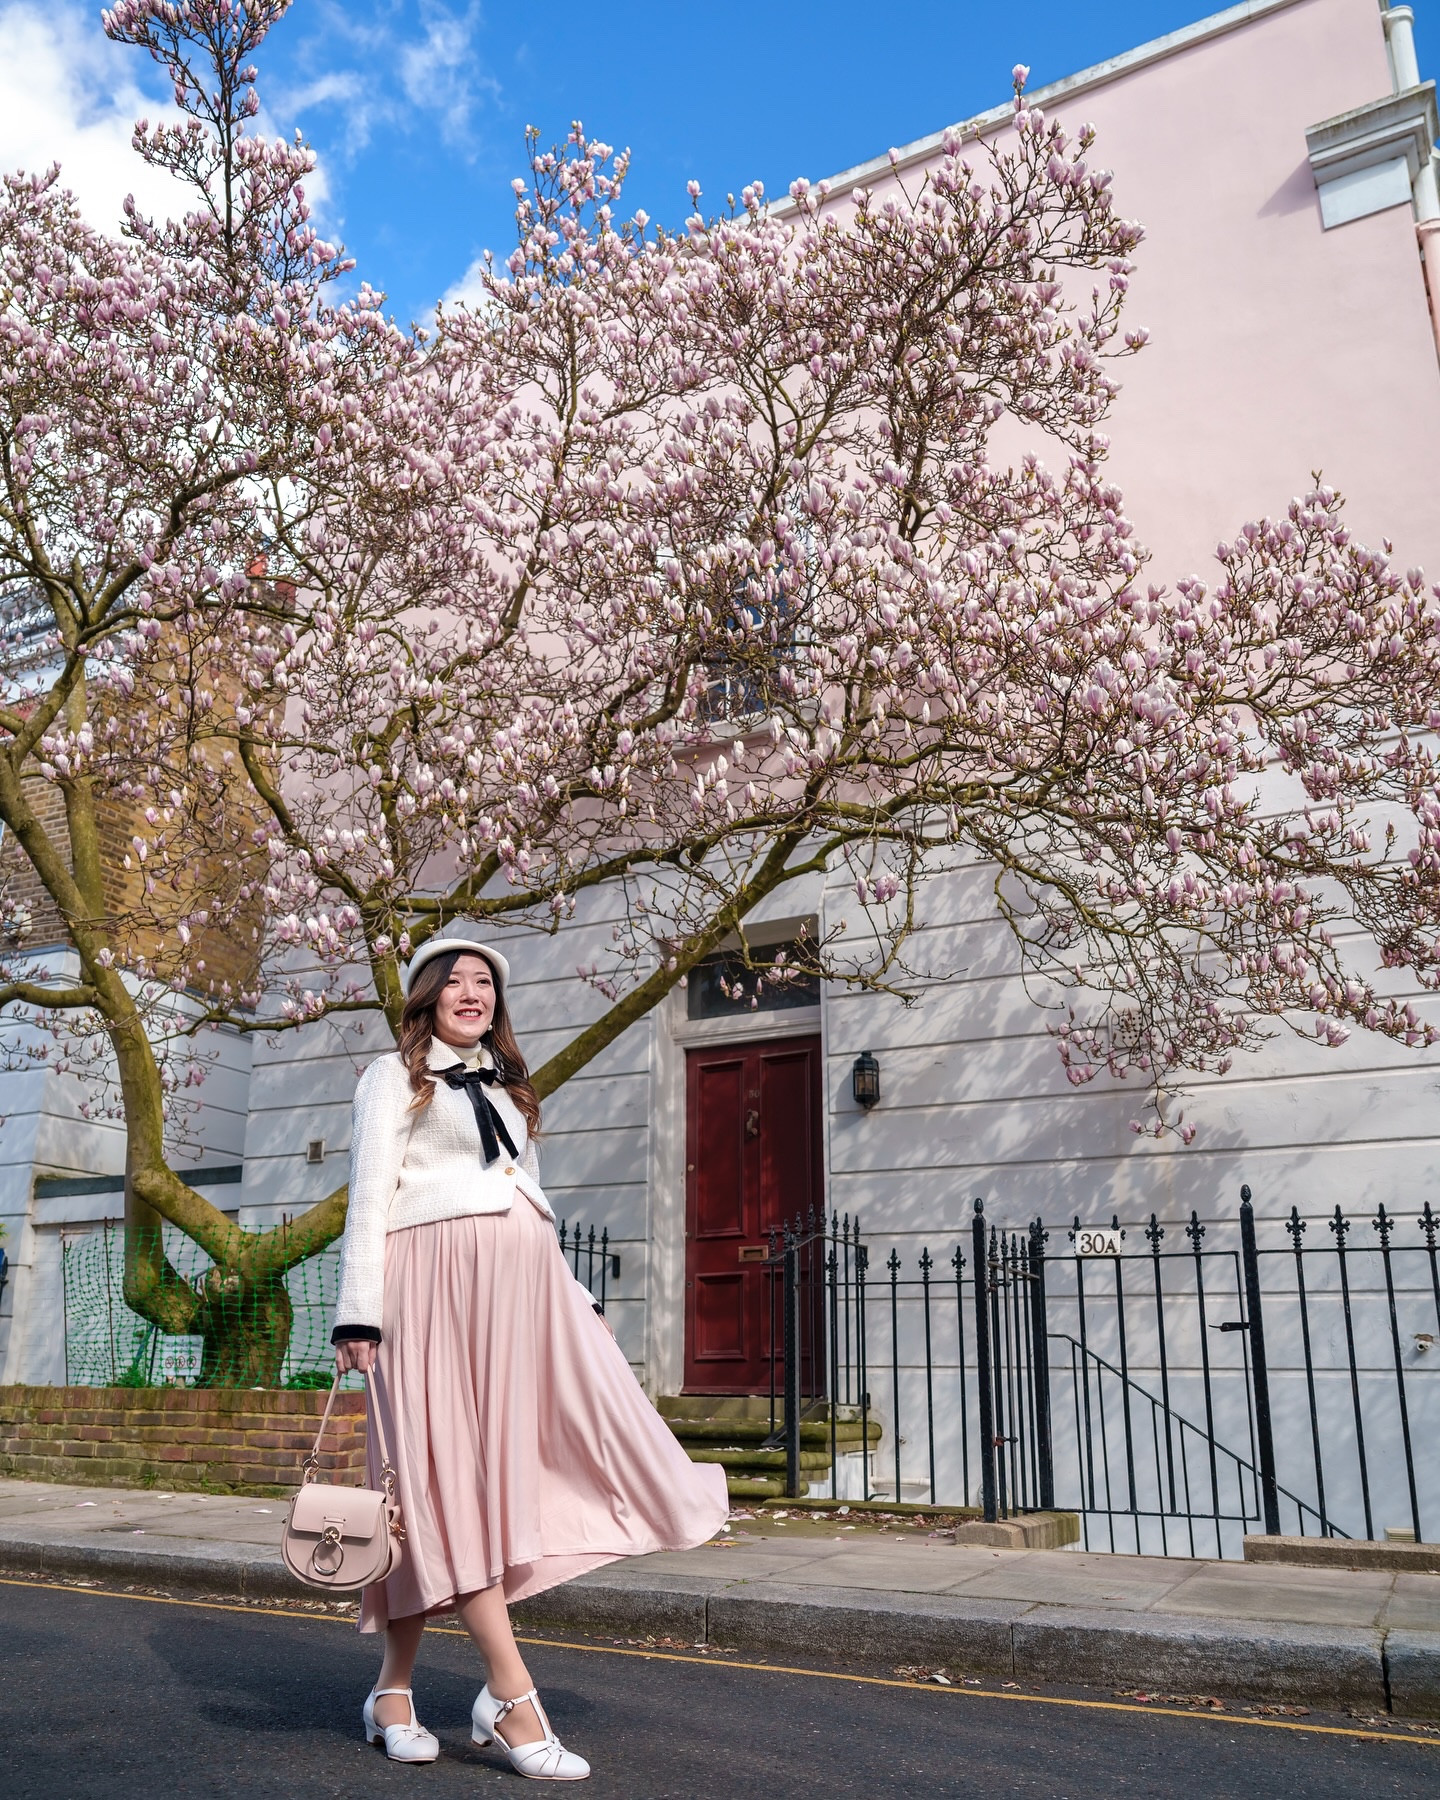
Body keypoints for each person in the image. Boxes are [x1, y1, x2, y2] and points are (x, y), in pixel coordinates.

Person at [332, 922, 729, 1779]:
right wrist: (357, 1319)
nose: (472, 994)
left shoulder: (509, 1092)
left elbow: (533, 1204)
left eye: (485, 984)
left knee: (465, 1489)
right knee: (435, 1489)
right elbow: (367, 1201)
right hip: (425, 1296)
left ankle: (393, 1692)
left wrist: (576, 1300)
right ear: (427, 995)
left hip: (514, 1303)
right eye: (456, 982)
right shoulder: (389, 1079)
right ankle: (511, 1697)